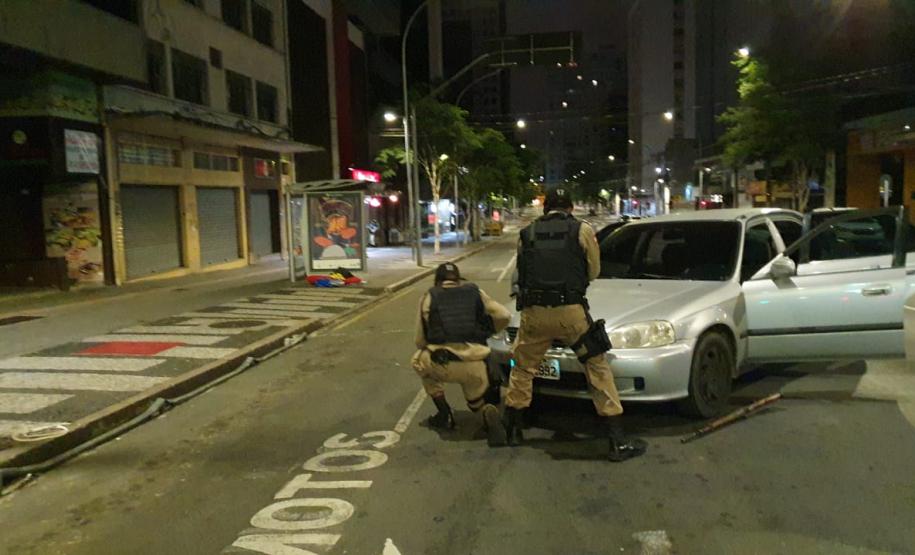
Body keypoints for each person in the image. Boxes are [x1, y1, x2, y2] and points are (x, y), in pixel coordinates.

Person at [505, 188, 647, 462]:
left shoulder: (527, 233)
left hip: (534, 312)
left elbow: (521, 273)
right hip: (570, 312)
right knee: (596, 366)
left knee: (522, 368)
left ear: (546, 209)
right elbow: (593, 270)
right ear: (570, 207)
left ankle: (513, 429)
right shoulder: (581, 230)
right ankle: (616, 440)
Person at [412, 262, 512, 446]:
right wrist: (487, 332)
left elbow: (420, 340)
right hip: (475, 362)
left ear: (438, 280)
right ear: (458, 280)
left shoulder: (429, 297)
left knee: (418, 360)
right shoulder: (475, 292)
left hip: (442, 362)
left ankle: (444, 414)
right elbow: (504, 315)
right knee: (475, 398)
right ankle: (485, 412)